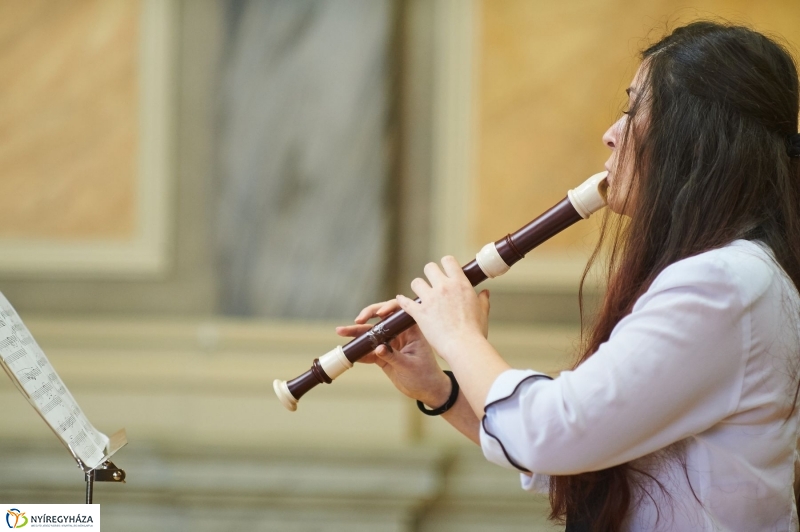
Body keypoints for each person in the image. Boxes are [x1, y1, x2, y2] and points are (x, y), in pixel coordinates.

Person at [336, 21, 800, 531]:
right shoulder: (731, 277)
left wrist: (460, 334)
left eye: (633, 109)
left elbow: (555, 433)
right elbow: (584, 459)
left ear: (694, 136)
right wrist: (438, 389)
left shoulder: (723, 283)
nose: (611, 133)